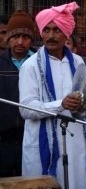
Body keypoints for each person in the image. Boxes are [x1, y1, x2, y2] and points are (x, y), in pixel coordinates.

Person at [18, 2, 86, 189]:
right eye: (46, 30)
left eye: (57, 30)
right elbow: (26, 108)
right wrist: (61, 104)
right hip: (42, 144)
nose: (51, 35)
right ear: (41, 33)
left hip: (76, 142)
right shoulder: (30, 66)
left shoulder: (78, 62)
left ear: (66, 33)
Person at [0, 10, 35, 177]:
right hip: (3, 138)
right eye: (15, 36)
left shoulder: (39, 62)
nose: (20, 42)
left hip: (32, 136)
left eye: (26, 37)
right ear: (8, 38)